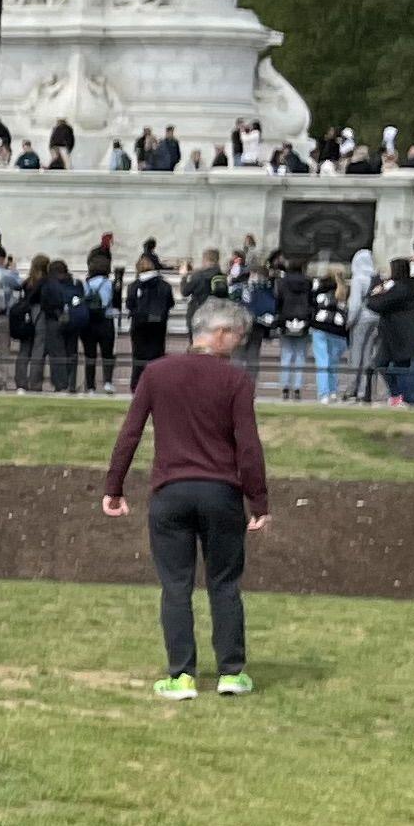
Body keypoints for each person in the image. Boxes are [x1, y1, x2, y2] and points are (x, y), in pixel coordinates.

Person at [102, 296, 274, 701]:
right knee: (225, 584)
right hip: (220, 493)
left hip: (171, 493)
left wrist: (114, 487)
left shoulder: (157, 373)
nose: (240, 343)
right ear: (218, 334)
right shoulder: (235, 381)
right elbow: (248, 446)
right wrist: (259, 502)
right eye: (237, 335)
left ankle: (181, 676)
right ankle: (231, 673)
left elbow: (130, 433)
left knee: (175, 586)